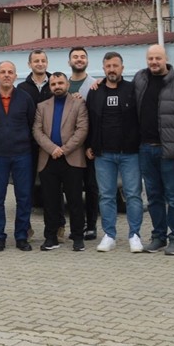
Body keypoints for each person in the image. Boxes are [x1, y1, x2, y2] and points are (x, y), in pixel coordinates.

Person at [134, 44, 174, 256]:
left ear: (166, 59)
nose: (154, 62)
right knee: (153, 197)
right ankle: (158, 236)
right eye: (150, 58)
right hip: (145, 149)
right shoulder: (140, 80)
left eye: (158, 58)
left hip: (169, 152)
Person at [86, 52, 144, 253]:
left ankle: (134, 235)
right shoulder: (95, 91)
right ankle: (109, 235)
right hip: (103, 154)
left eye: (115, 65)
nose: (112, 69)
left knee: (133, 195)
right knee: (106, 196)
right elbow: (89, 121)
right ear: (103, 68)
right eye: (108, 66)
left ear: (122, 67)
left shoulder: (133, 90)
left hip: (130, 153)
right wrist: (89, 145)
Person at [0, 61, 37, 252]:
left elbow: (32, 124)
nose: (6, 75)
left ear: (15, 76)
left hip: (22, 155)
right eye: (2, 72)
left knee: (24, 197)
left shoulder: (25, 98)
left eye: (10, 72)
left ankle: (21, 236)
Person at [33, 73, 90, 251]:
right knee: (50, 201)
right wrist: (52, 149)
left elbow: (82, 130)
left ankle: (78, 237)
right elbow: (37, 130)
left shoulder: (78, 103)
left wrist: (64, 150)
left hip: (71, 158)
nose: (57, 86)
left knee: (75, 200)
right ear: (50, 86)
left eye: (60, 83)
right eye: (54, 83)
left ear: (67, 84)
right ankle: (51, 237)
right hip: (48, 160)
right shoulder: (42, 106)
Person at [67, 47, 101, 240]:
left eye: (82, 57)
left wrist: (93, 145)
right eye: (75, 57)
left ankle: (91, 226)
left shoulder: (94, 85)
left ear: (87, 60)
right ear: (69, 61)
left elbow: (96, 118)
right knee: (72, 189)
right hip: (68, 147)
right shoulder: (63, 83)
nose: (79, 60)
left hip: (87, 147)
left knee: (91, 186)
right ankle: (76, 226)